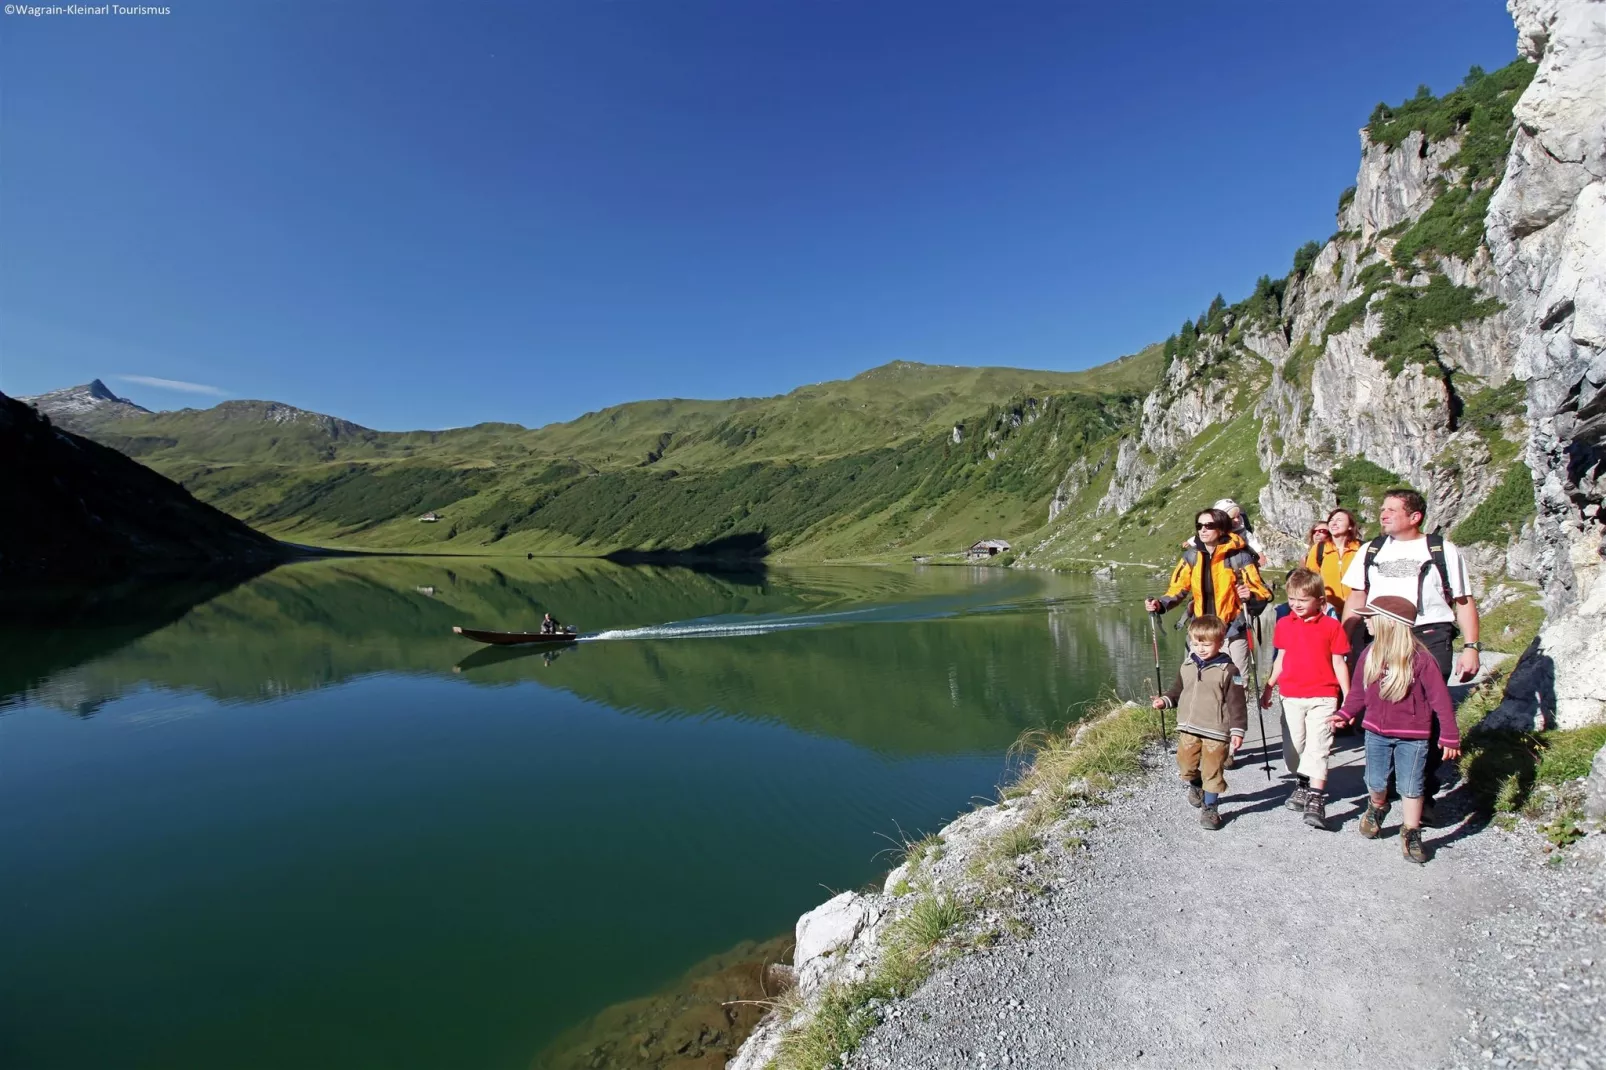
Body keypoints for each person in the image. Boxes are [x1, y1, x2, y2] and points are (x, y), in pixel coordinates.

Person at [1340, 489, 1479, 814]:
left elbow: (1462, 599)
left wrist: (1471, 647)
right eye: (1382, 509)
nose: (1383, 514)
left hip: (1429, 635)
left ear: (1415, 516)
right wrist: (1345, 641)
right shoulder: (1370, 550)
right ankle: (1383, 789)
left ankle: (1421, 791)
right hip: (1383, 636)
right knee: (1380, 711)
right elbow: (1357, 597)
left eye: (1391, 509)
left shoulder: (1441, 549)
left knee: (1424, 714)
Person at [1331, 596, 1461, 863]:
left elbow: (1441, 702)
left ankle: (1411, 832)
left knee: (1411, 785)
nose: (1365, 622)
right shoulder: (1370, 654)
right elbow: (1358, 692)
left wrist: (1449, 736)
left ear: (1389, 623)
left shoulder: (1422, 660)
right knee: (1375, 781)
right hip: (1375, 733)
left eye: (1370, 617)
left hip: (1413, 737)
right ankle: (1377, 806)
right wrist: (1345, 713)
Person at [1260, 568, 1351, 829]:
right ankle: (1301, 782)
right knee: (1294, 748)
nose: (1296, 605)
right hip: (1290, 695)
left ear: (1320, 601)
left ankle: (1315, 797)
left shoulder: (1332, 626)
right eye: (1292, 599)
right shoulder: (1284, 624)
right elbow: (1281, 658)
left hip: (1324, 696)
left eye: (1303, 600)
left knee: (1318, 747)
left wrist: (1347, 697)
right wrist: (1269, 686)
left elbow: (1339, 662)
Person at [1146, 508, 1272, 677]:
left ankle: (1236, 703)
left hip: (1233, 630)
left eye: (1209, 525)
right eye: (1199, 525)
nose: (1203, 529)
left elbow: (1262, 592)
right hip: (1201, 631)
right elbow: (1178, 588)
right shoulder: (1192, 556)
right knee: (1197, 679)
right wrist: (1160, 604)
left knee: (1237, 682)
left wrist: (1249, 596)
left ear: (1221, 528)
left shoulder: (1240, 557)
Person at [1151, 614, 1246, 831]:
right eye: (1195, 643)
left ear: (1220, 643)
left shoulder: (1231, 671)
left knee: (1212, 770)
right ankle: (1196, 786)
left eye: (1206, 643)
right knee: (1186, 766)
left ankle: (1211, 808)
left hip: (1217, 731)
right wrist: (1164, 701)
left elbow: (1238, 703)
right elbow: (1177, 691)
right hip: (1189, 727)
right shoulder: (1187, 665)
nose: (1200, 648)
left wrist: (1238, 730)